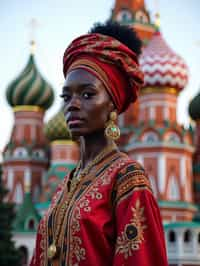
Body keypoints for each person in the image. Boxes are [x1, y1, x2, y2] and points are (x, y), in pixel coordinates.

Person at [30, 21, 168, 266]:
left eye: (87, 94)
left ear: (113, 104)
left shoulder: (127, 179)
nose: (71, 104)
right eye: (66, 96)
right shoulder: (66, 184)